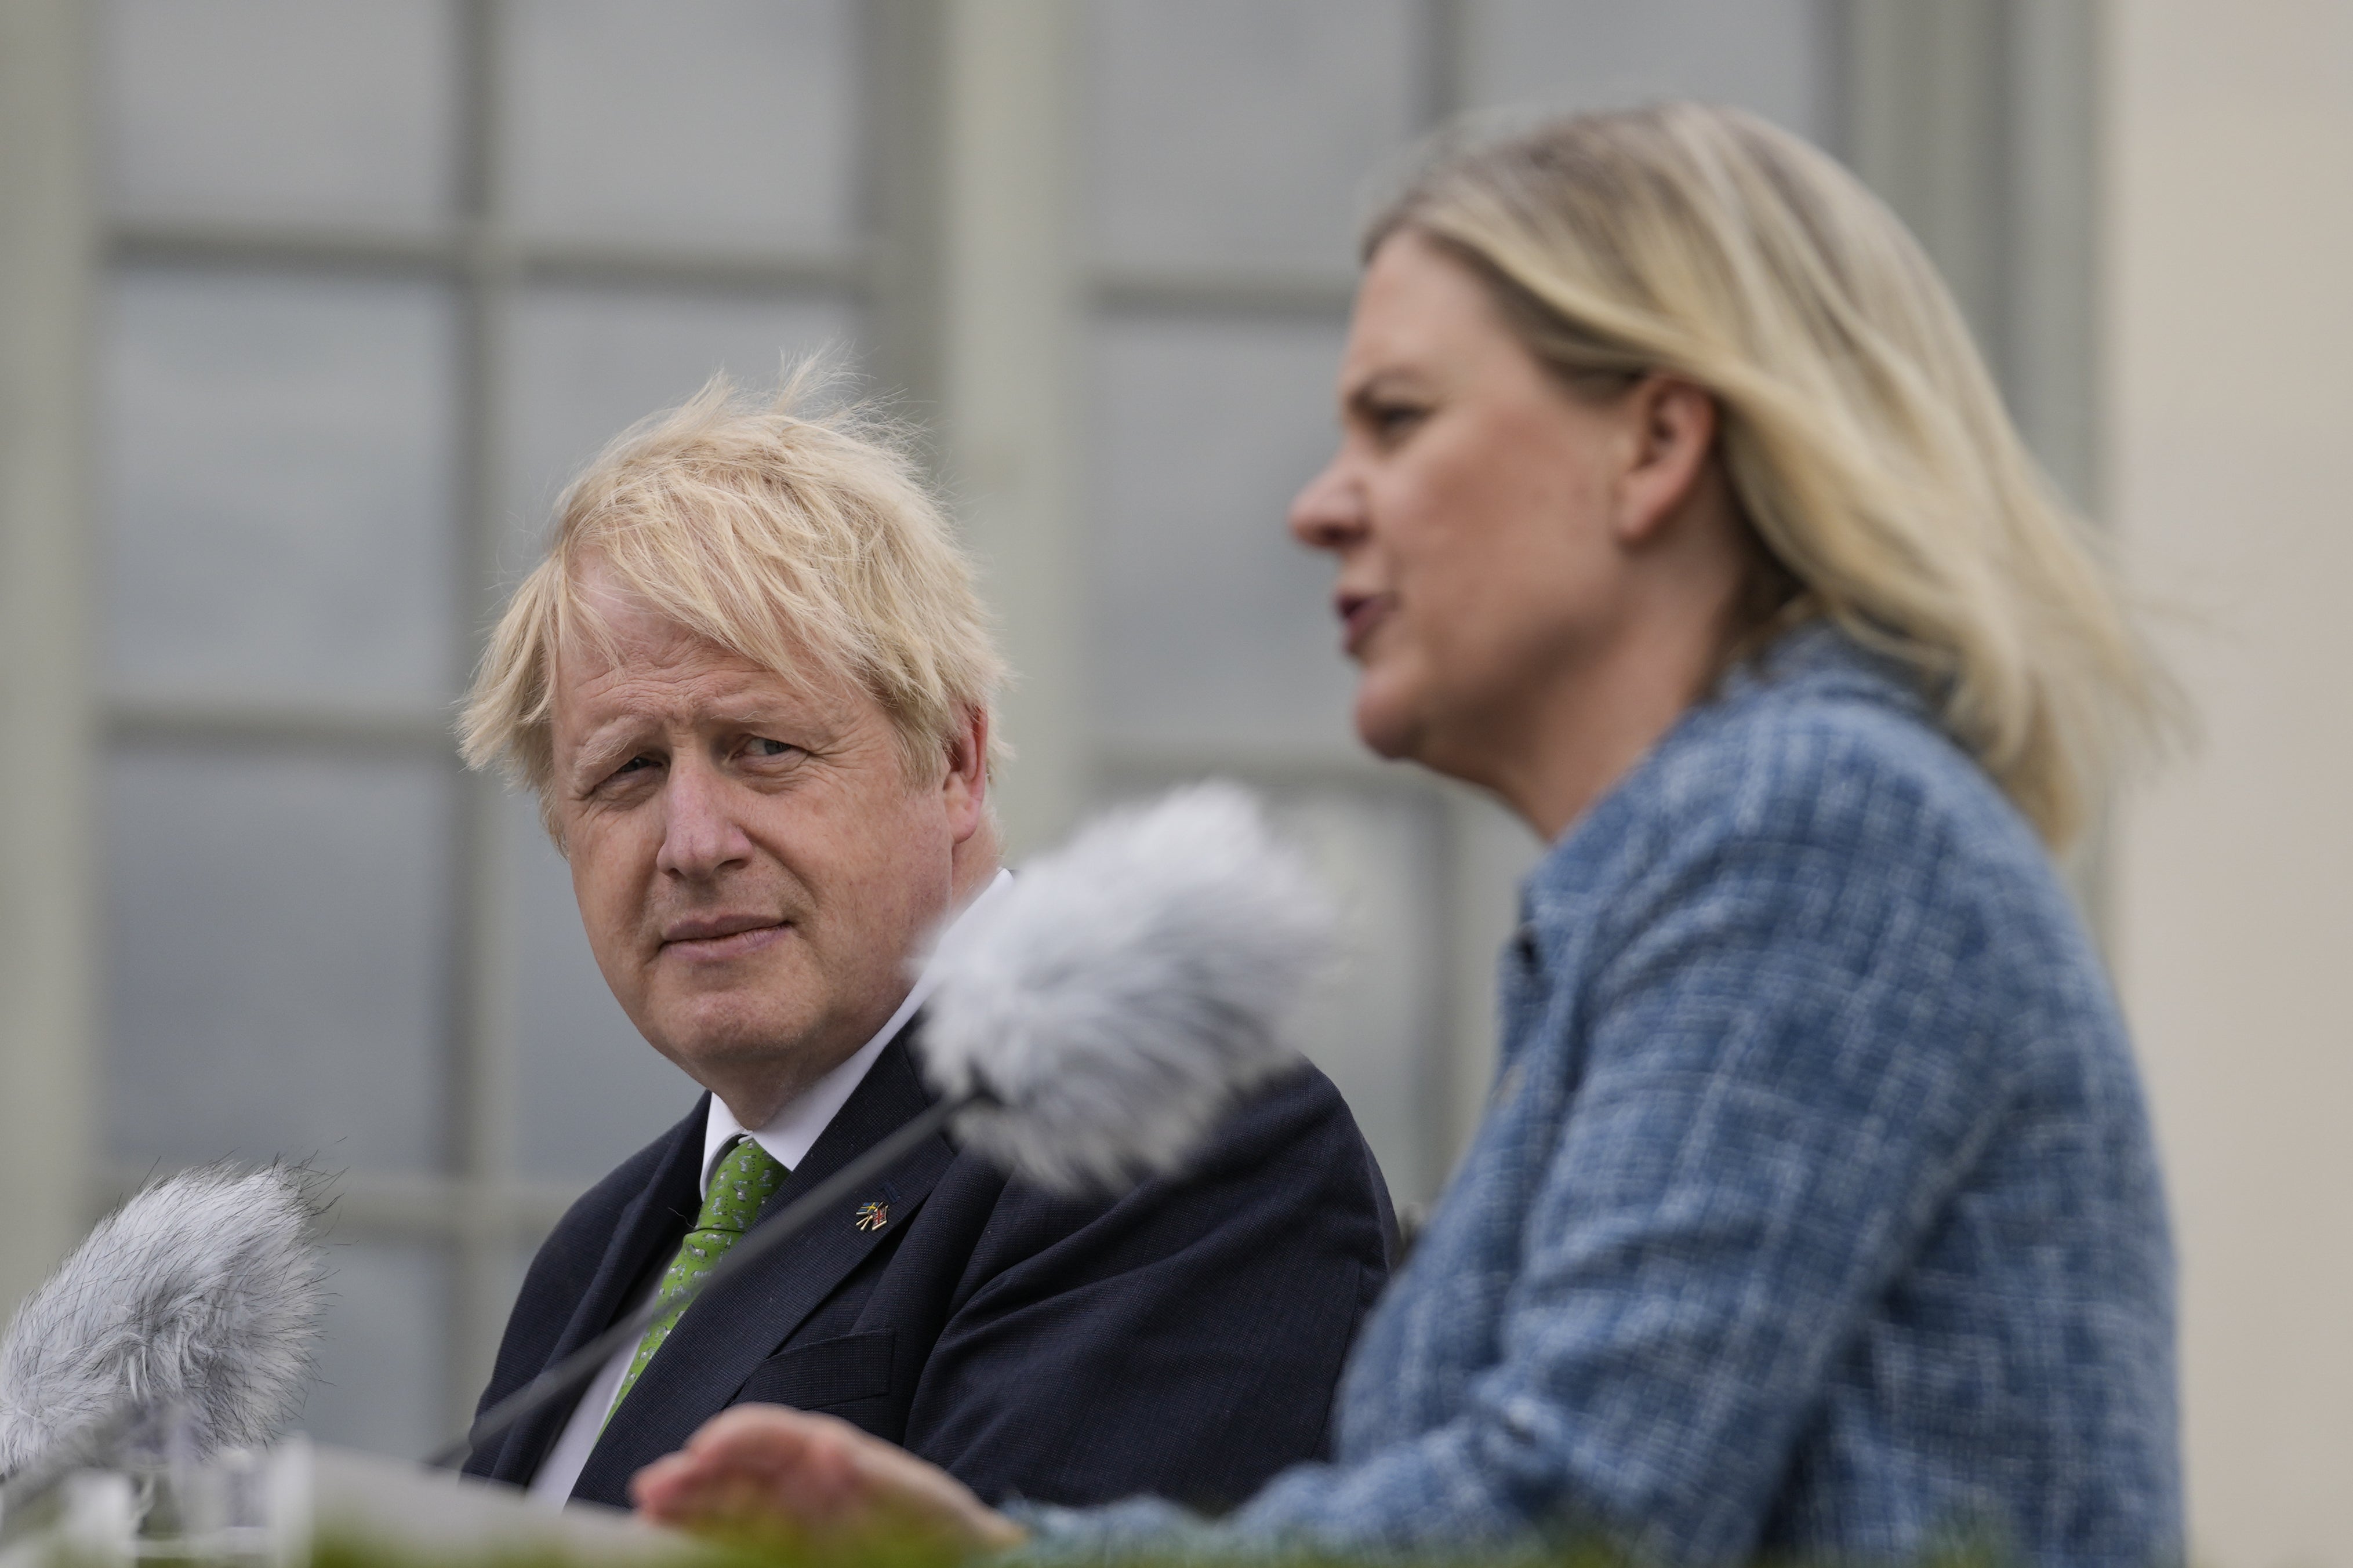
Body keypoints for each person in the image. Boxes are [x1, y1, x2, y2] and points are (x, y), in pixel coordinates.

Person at [628, 104, 2186, 1568]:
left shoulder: (1807, 826)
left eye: (1397, 419)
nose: (1322, 504)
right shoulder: (1720, 857)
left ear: (1653, 447)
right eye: (622, 771)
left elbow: (1572, 1515)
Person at [452, 376, 1395, 1513]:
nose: (691, 843)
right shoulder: (594, 1255)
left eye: (762, 748)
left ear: (952, 761)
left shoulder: (1160, 1139)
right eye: (627, 773)